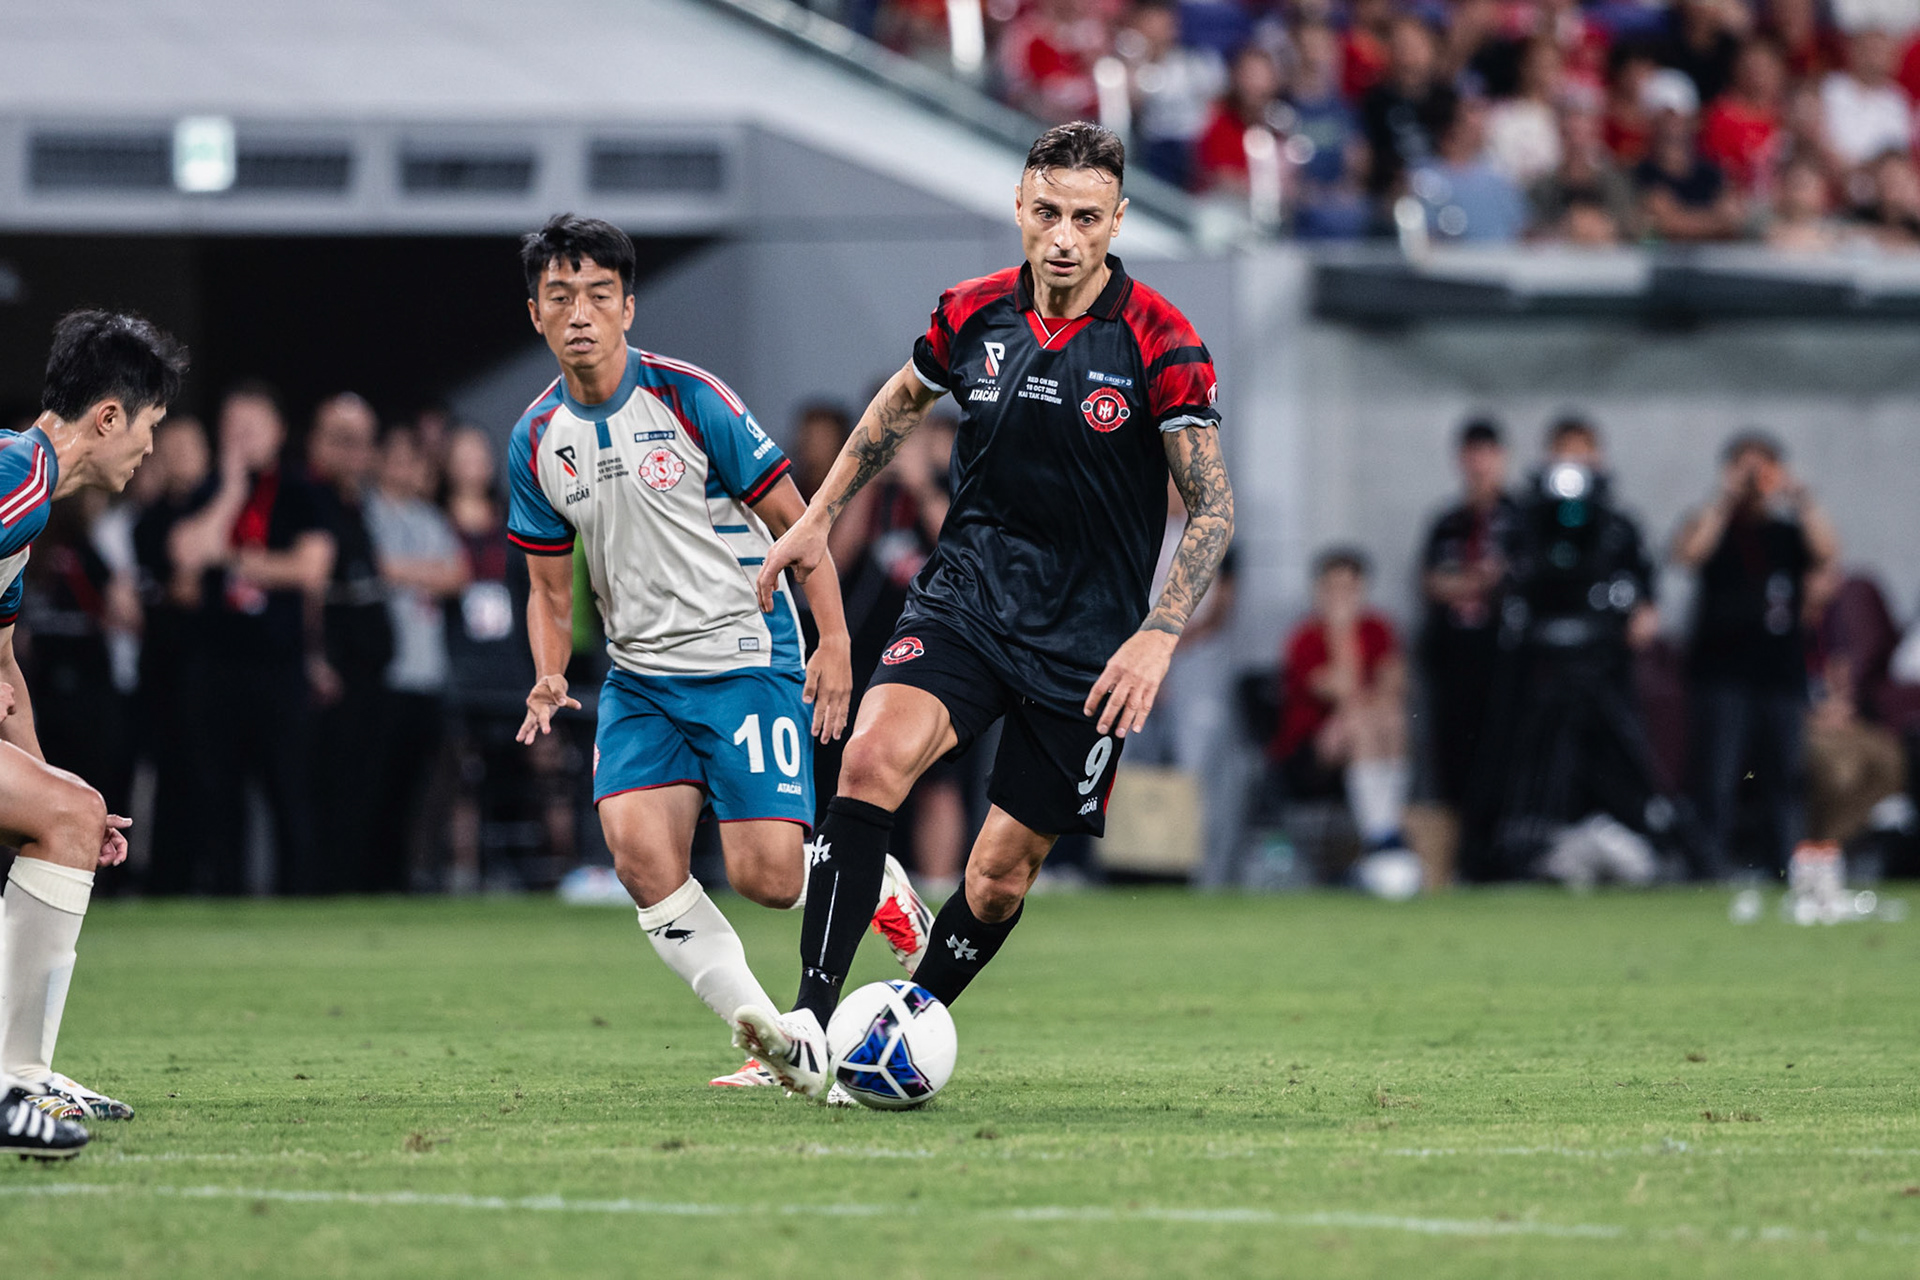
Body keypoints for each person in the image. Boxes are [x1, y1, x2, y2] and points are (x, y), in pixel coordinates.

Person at [739, 122, 1235, 1098]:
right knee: (870, 759)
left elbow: (1213, 507)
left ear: (1118, 221)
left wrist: (1158, 630)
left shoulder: (1162, 341)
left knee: (1000, 874)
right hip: (966, 599)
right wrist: (817, 517)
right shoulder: (971, 312)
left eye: (1086, 218)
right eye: (1046, 212)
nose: (1063, 236)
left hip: (1087, 645)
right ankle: (808, 1023)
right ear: (1019, 207)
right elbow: (897, 405)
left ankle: (901, 1027)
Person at [506, 215, 929, 1097]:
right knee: (640, 860)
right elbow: (548, 589)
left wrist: (835, 640)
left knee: (766, 878)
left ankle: (868, 879)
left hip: (744, 656)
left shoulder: (690, 398)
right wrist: (548, 672)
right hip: (640, 679)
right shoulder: (536, 439)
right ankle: (782, 1043)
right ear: (535, 313)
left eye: (597, 295)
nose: (579, 313)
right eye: (559, 297)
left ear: (628, 306)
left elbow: (798, 523)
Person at [0, 309, 187, 1158]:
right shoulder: (16, 477)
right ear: (109, 417)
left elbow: (5, 676)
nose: (149, 449)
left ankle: (18, 1076)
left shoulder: (27, 494)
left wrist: (51, 803)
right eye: (149, 427)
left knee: (73, 812)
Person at [166, 384, 333, 894]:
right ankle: (226, 896)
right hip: (215, 664)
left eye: (251, 427)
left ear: (278, 430)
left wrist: (237, 562)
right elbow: (186, 556)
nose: (240, 437)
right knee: (219, 793)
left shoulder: (301, 491)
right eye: (231, 427)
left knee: (289, 790)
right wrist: (231, 492)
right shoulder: (207, 490)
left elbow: (311, 569)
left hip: (279, 666)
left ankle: (298, 898)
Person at [1672, 430, 1837, 876]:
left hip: (1778, 671)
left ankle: (1784, 864)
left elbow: (1827, 552)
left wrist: (1800, 497)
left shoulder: (1786, 533)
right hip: (1722, 671)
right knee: (1717, 776)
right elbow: (1689, 554)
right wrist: (1724, 496)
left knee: (1784, 776)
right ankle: (1706, 868)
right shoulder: (1715, 524)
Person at [365, 426, 469, 891]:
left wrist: (405, 572)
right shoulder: (367, 512)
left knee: (420, 787)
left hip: (428, 674)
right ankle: (374, 877)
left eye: (413, 460)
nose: (406, 469)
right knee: (376, 785)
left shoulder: (430, 517)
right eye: (398, 459)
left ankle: (409, 876)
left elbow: (458, 575)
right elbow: (377, 565)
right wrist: (427, 572)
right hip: (385, 672)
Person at [1272, 548, 1412, 871]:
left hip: (1366, 736)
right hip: (1311, 751)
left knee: (1392, 717)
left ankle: (1386, 827)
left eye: (1349, 588)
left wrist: (1375, 704)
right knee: (1357, 720)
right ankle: (1380, 834)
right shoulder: (1305, 638)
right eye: (1333, 588)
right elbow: (1343, 689)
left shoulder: (1378, 628)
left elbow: (1394, 684)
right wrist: (1341, 631)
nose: (1342, 596)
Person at [304, 394, 391, 893]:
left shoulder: (364, 504)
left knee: (364, 788)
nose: (354, 453)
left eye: (362, 442)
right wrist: (315, 657)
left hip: (370, 669)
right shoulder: (308, 500)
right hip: (332, 669)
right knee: (328, 787)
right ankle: (324, 889)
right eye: (343, 440)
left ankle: (356, 887)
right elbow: (311, 587)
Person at [1419, 418, 1517, 811]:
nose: (1479, 465)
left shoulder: (1521, 519)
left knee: (1505, 744)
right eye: (1471, 455)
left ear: (1501, 457)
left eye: (1486, 454)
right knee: (1454, 747)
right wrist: (1482, 579)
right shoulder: (1447, 522)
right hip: (1454, 653)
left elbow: (1518, 579)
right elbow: (1432, 582)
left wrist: (1465, 581)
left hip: (1505, 655)